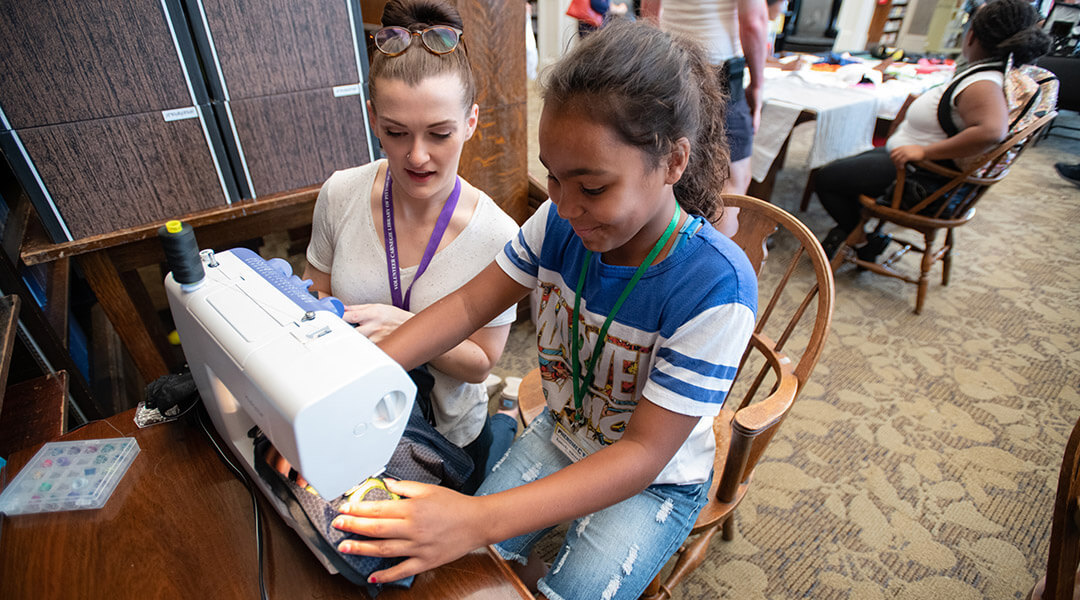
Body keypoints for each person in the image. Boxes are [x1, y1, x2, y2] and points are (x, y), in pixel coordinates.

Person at [330, 20, 758, 600]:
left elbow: (641, 454)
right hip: (565, 426)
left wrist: (474, 520)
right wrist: (346, 382)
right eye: (553, 178)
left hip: (654, 478)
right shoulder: (558, 221)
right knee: (466, 562)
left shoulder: (716, 285)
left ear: (674, 161)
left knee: (559, 584)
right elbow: (463, 306)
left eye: (592, 187)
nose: (566, 205)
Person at [299, 0, 519, 494]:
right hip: (356, 411)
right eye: (396, 133)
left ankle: (502, 423)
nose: (417, 156)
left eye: (439, 134)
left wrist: (407, 328)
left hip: (447, 431)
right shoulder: (341, 193)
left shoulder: (497, 236)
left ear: (471, 121)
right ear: (374, 118)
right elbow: (314, 301)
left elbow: (482, 361)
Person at [814, 0, 1051, 260]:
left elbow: (992, 131)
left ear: (972, 36)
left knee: (826, 178)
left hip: (921, 176)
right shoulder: (987, 74)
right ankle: (856, 232)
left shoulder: (983, 83)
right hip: (913, 163)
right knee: (843, 167)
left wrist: (923, 151)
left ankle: (863, 239)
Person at [659, 0, 769, 200]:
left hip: (668, 64)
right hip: (717, 74)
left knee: (670, 168)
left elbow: (650, 8)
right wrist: (757, 86)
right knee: (731, 183)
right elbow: (753, 22)